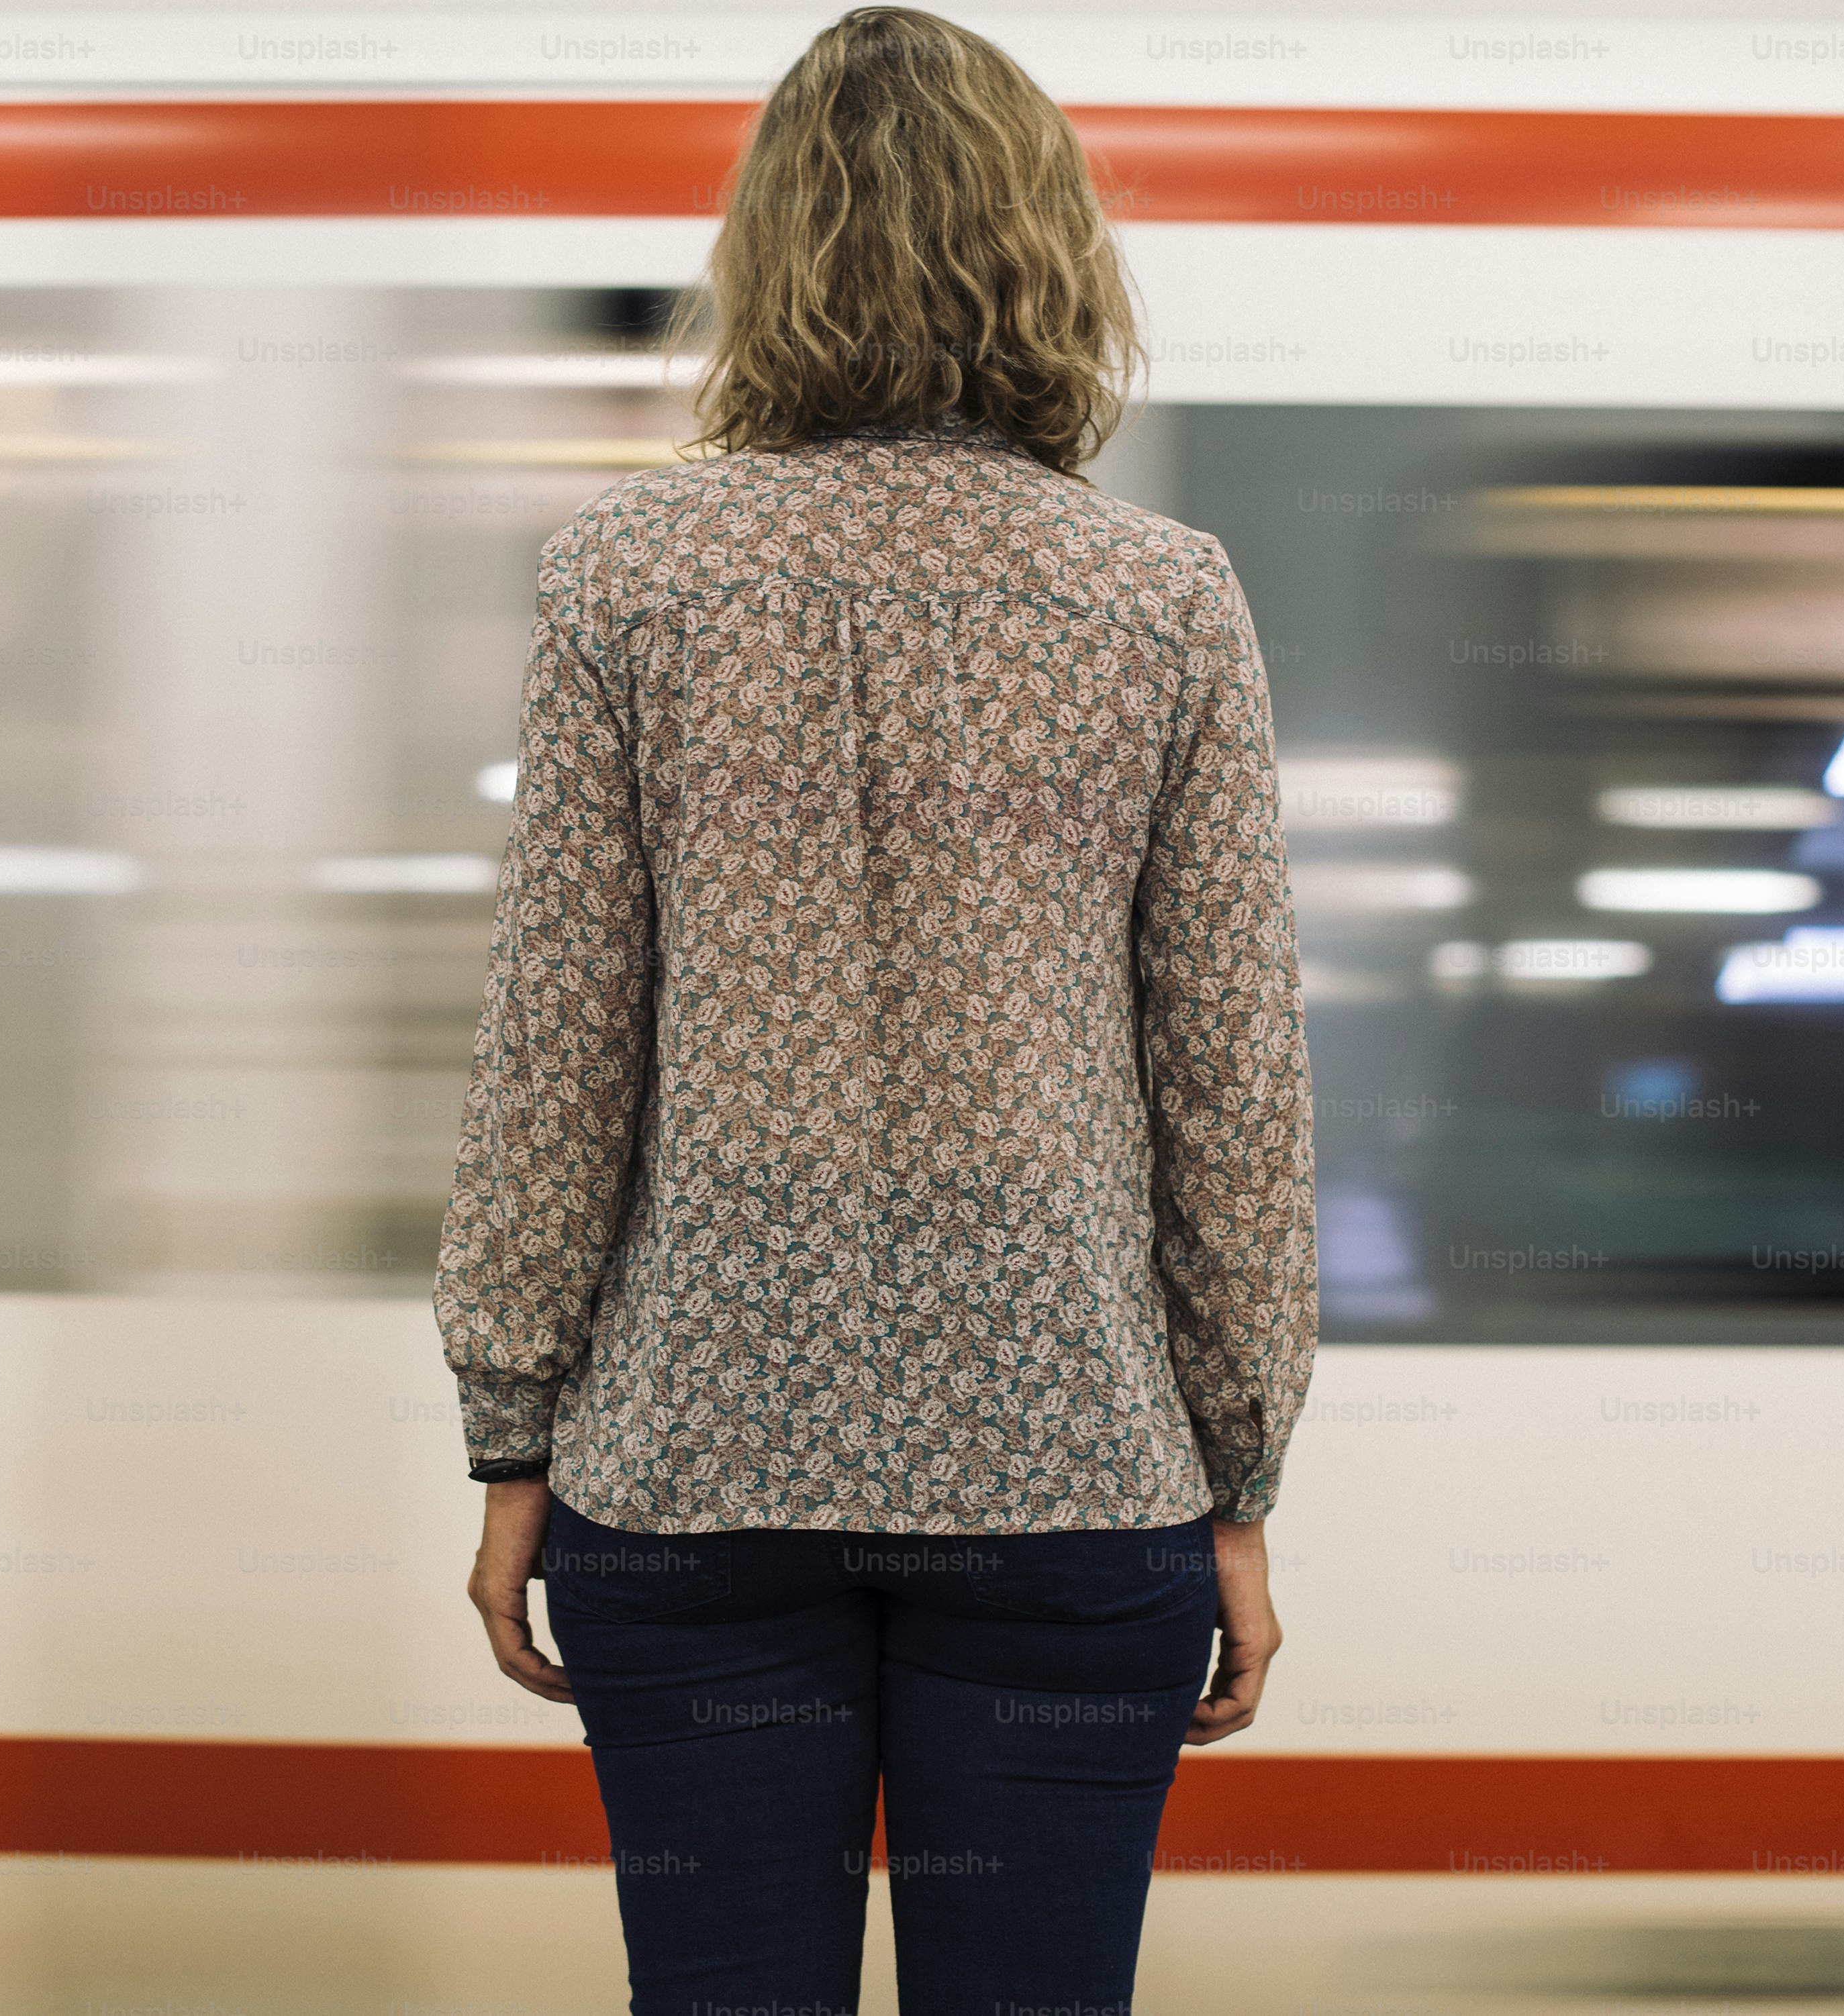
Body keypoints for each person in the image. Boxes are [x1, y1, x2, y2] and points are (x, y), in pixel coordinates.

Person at [433, 9, 1315, 2009]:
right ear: (1051, 255)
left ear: (767, 260)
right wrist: (1237, 1483)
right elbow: (1235, 1089)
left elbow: (552, 1045)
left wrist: (511, 1435)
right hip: (1069, 1466)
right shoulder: (1163, 597)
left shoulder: (622, 579)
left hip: (688, 1466)